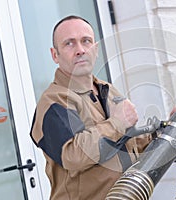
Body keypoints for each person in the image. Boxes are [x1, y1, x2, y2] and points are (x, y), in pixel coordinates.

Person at [30, 15, 151, 200]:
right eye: (69, 44)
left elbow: (131, 143)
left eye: (86, 41)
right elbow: (73, 155)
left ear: (95, 49)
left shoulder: (108, 90)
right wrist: (116, 123)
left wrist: (163, 132)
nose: (80, 50)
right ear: (55, 55)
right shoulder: (54, 102)